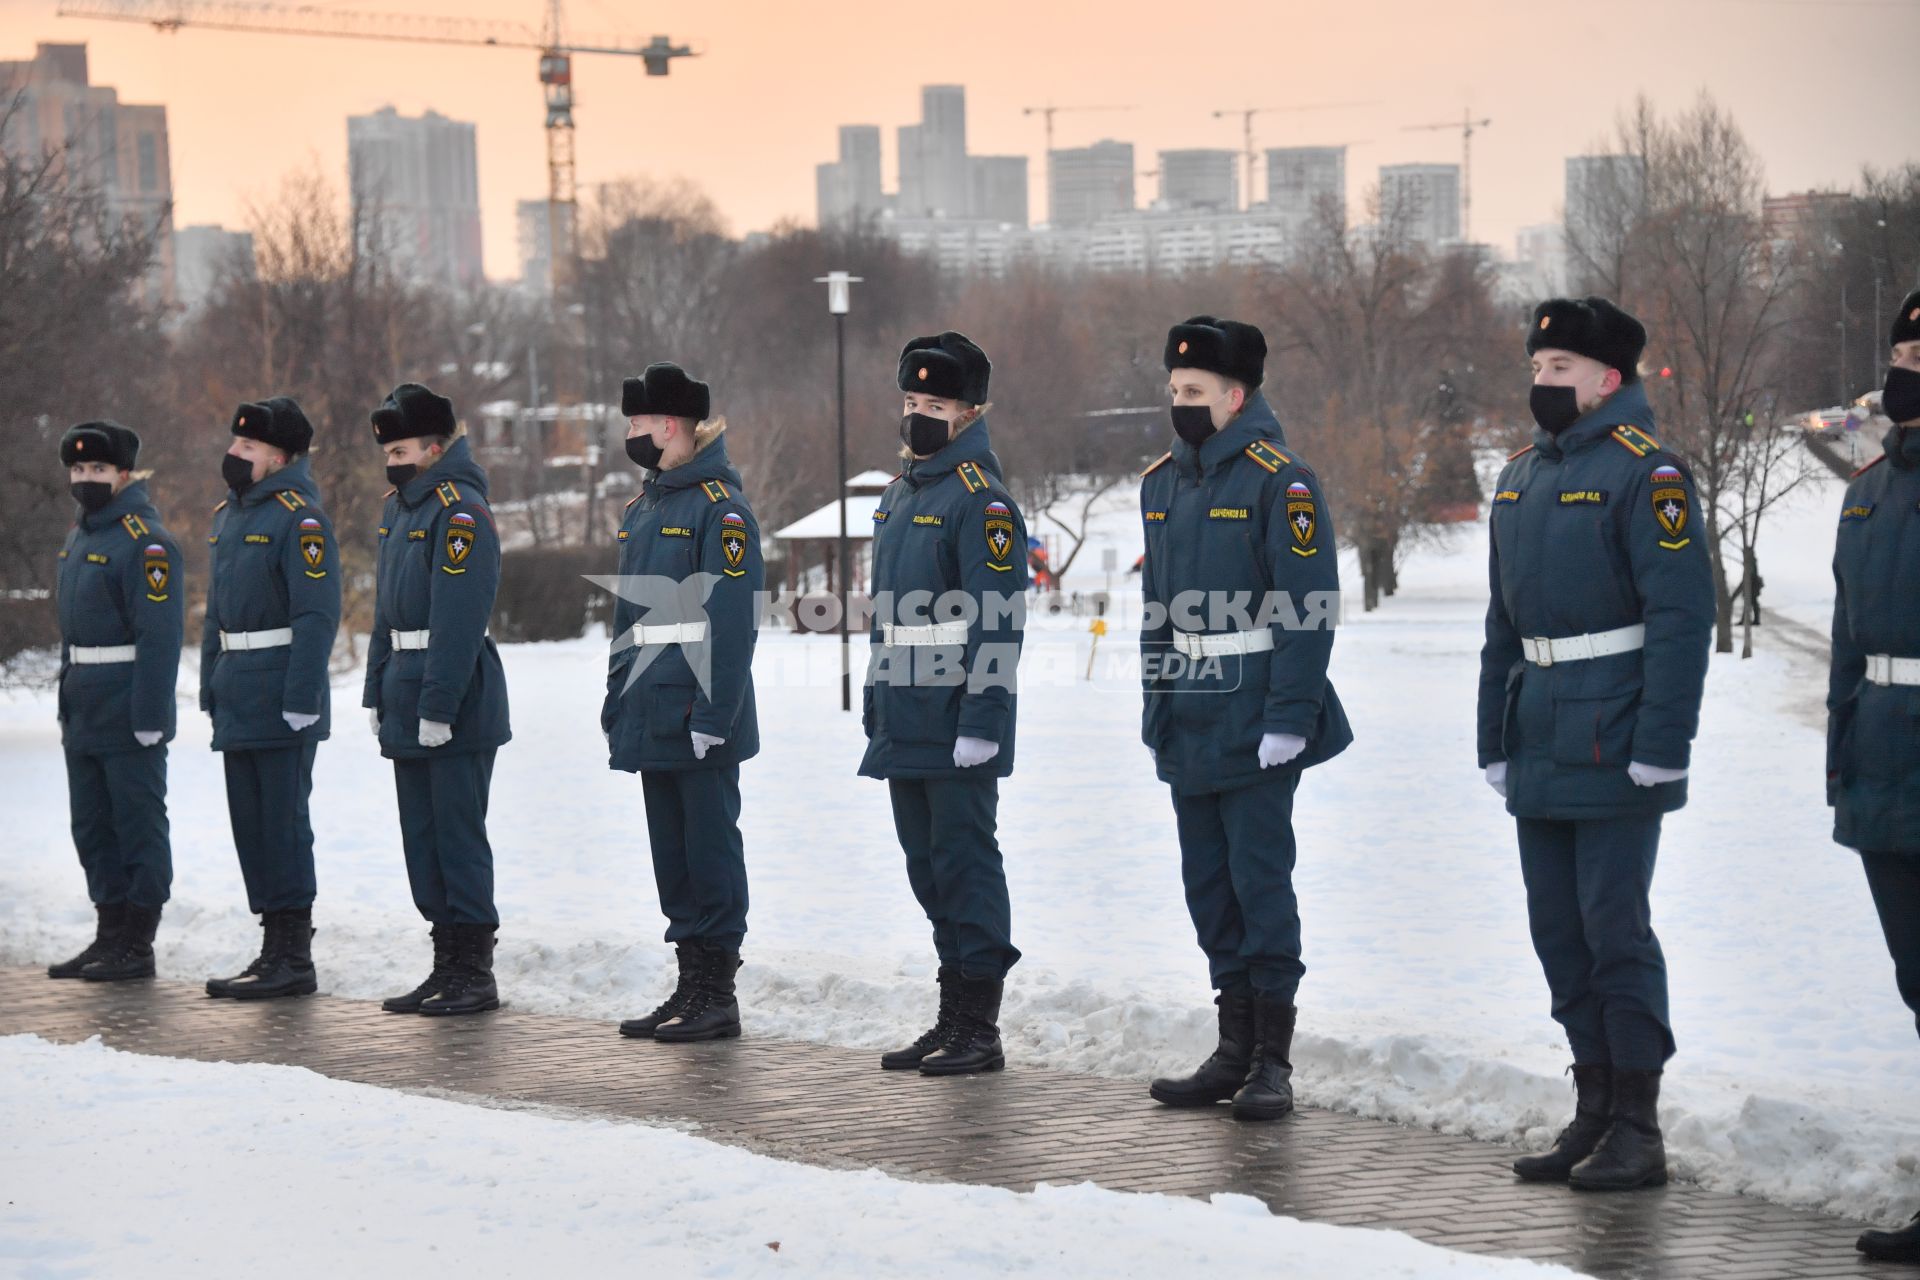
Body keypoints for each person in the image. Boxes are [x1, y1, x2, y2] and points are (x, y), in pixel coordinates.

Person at [1479, 296, 1712, 1191]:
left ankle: (1638, 1125)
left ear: (1608, 380)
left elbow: (1683, 615)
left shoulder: (1645, 473)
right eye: (1537, 369)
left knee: (1616, 931)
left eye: (1560, 371)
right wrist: (1490, 739)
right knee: (1559, 935)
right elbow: (1504, 621)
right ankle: (1593, 1107)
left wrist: (1665, 742)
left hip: (1616, 738)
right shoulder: (1520, 477)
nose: (1542, 383)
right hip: (1537, 733)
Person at [1139, 316, 1351, 1122]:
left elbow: (1308, 607)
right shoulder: (1162, 483)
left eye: (1194, 392)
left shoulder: (1279, 481)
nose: (1179, 404)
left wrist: (1290, 716)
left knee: (1260, 884)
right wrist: (1157, 702)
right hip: (1190, 713)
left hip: (1258, 713)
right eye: (1173, 390)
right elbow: (1158, 608)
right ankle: (1232, 1046)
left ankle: (1271, 1059)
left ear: (1236, 396)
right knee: (1209, 887)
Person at [860, 331, 1027, 1076]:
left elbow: (998, 618)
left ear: (969, 412)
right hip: (904, 717)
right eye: (910, 400)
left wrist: (984, 722)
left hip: (958, 723)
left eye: (935, 403)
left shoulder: (980, 501)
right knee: (927, 871)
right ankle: (951, 1015)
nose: (918, 415)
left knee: (965, 868)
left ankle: (979, 1028)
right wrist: (876, 704)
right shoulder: (901, 495)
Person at [605, 364, 764, 1043]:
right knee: (673, 855)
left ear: (669, 426)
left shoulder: (719, 510)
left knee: (708, 852)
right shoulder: (646, 506)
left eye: (637, 425)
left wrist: (712, 715)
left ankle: (715, 992)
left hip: (698, 711)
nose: (631, 437)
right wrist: (617, 698)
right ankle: (688, 981)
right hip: (650, 703)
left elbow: (731, 623)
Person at [364, 383, 511, 1016]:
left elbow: (458, 618)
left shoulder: (459, 511)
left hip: (453, 698)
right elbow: (383, 613)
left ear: (433, 447)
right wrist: (376, 688)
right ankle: (444, 961)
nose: (391, 461)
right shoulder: (399, 511)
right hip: (405, 688)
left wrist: (438, 705)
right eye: (386, 451)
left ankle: (473, 970)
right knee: (421, 840)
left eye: (400, 449)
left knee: (456, 836)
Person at [1830, 289, 1920, 1265]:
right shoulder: (1867, 487)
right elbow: (1847, 643)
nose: (1906, 367)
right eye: (1902, 348)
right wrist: (1840, 752)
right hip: (1887, 756)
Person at [200, 397, 342, 999]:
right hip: (239, 692)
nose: (233, 456)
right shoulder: (230, 516)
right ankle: (271, 947)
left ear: (278, 458)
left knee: (283, 827)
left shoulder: (298, 517)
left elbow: (316, 613)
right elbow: (217, 615)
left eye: (247, 448)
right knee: (251, 827)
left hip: (283, 693)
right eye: (235, 445)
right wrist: (211, 681)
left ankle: (294, 956)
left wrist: (303, 694)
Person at [47, 420, 184, 982]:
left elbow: (159, 637)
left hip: (128, 707)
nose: (86, 480)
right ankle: (109, 932)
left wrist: (151, 716)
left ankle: (137, 940)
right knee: (92, 825)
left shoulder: (143, 541)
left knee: (137, 824)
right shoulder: (80, 536)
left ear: (125, 474)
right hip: (84, 704)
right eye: (78, 471)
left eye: (98, 470)